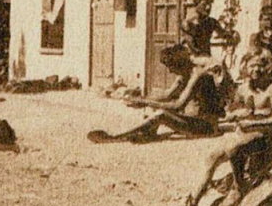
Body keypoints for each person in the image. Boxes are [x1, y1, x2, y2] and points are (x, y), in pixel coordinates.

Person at [168, 50, 272, 206]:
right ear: (245, 67)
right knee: (211, 157)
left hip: (262, 136)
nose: (256, 70)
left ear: (266, 68)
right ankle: (191, 205)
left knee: (232, 148)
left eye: (260, 66)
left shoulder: (271, 89)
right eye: (252, 66)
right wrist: (234, 114)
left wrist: (254, 122)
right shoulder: (243, 88)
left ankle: (238, 186)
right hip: (242, 133)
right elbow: (231, 109)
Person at [87, 44, 227, 143]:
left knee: (161, 114)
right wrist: (139, 99)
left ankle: (116, 138)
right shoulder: (185, 73)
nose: (170, 71)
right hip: (193, 121)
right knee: (157, 108)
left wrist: (145, 102)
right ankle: (148, 132)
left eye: (171, 67)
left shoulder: (198, 75)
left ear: (180, 64)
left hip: (206, 127)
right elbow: (167, 94)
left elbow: (177, 105)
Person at [181, 0, 232, 64]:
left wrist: (232, 34)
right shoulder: (188, 23)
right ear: (196, 6)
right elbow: (191, 45)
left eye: (210, 5)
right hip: (192, 59)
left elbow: (223, 34)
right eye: (204, 4)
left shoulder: (212, 22)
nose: (208, 8)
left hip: (205, 58)